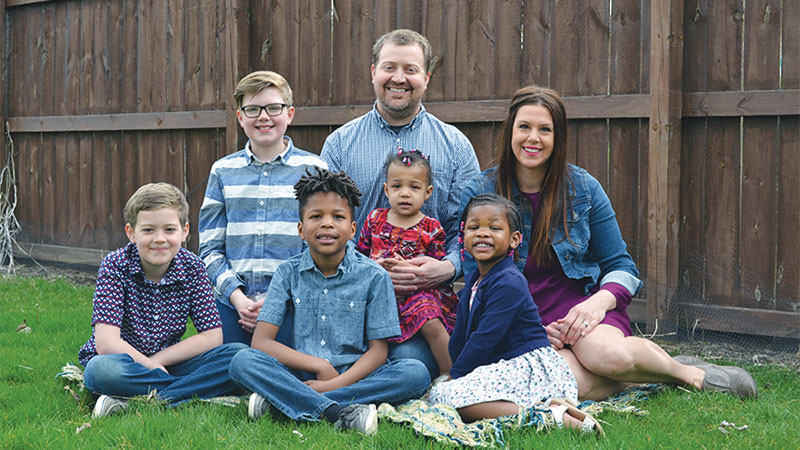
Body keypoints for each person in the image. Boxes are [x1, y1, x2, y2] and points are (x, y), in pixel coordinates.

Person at [459, 85, 757, 400]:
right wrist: (525, 328)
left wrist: (596, 304)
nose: (533, 138)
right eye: (524, 127)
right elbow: (475, 277)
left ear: (558, 138)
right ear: (510, 131)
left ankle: (690, 375)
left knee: (608, 357)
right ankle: (651, 370)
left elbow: (622, 267)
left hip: (582, 309)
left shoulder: (584, 189)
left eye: (545, 129)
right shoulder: (479, 193)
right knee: (570, 385)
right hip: (518, 317)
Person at [321, 29, 480, 376]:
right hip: (353, 294)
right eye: (389, 67)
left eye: (410, 69)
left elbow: (469, 227)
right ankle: (338, 392)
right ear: (374, 71)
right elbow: (325, 227)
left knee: (411, 367)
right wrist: (366, 270)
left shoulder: (455, 146)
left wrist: (449, 267)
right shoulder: (340, 145)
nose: (399, 78)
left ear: (426, 77)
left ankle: (340, 391)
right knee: (336, 359)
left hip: (425, 302)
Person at [228, 168, 430, 435]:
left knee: (415, 373)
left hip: (356, 376)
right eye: (316, 216)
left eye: (338, 216)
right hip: (300, 374)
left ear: (352, 228)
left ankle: (282, 404)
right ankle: (338, 412)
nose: (327, 223)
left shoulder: (374, 276)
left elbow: (378, 352)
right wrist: (319, 366)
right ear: (301, 229)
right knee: (242, 360)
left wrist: (332, 386)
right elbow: (261, 342)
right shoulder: (287, 272)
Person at [428, 194, 603, 435]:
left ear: (514, 239)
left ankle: (550, 417)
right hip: (501, 363)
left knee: (450, 399)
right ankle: (529, 410)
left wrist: (458, 376)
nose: (482, 233)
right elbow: (462, 333)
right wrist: (454, 371)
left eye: (494, 227)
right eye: (474, 227)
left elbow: (484, 338)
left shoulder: (509, 282)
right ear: (463, 237)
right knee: (443, 392)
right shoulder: (474, 280)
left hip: (525, 365)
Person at [78, 183, 247, 418]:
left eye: (169, 229)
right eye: (148, 230)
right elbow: (106, 343)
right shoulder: (115, 265)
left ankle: (140, 401)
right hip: (123, 363)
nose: (159, 239)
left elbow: (212, 337)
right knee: (100, 371)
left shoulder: (194, 267)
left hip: (169, 362)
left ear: (184, 231)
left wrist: (157, 362)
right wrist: (150, 366)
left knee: (238, 355)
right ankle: (194, 394)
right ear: (131, 232)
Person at [199, 70, 326, 345]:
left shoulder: (315, 170)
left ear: (289, 114)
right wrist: (238, 297)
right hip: (234, 306)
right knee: (231, 361)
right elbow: (209, 249)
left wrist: (275, 300)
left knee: (284, 361)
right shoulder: (222, 171)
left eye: (273, 108)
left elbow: (321, 248)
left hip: (294, 304)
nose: (264, 117)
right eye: (253, 109)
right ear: (240, 117)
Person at [356, 149, 458, 379]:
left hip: (418, 291)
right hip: (378, 292)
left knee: (430, 318)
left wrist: (409, 267)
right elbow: (359, 256)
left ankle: (448, 371)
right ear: (386, 189)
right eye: (397, 186)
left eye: (414, 187)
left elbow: (435, 266)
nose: (404, 194)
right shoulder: (374, 220)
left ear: (428, 192)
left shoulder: (431, 227)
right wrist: (376, 266)